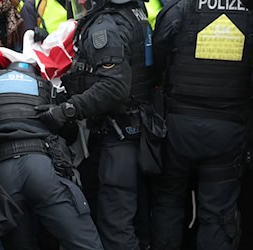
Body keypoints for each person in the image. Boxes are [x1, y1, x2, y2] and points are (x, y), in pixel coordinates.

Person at [35, 0, 157, 248]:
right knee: (136, 219)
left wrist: (68, 110)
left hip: (119, 135)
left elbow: (114, 86)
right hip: (136, 129)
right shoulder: (135, 13)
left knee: (116, 227)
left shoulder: (106, 26)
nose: (80, 3)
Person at [150, 0, 252, 249]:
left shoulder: (180, 9)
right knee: (218, 213)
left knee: (168, 201)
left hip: (178, 127)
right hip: (228, 130)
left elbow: (156, 58)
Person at [0, 61, 104, 250]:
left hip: (0, 174)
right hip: (41, 167)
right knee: (85, 244)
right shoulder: (44, 87)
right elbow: (69, 133)